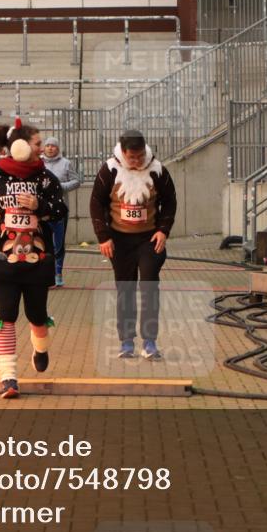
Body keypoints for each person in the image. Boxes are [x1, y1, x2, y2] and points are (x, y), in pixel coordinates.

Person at [0, 119, 67, 399]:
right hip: (1, 257)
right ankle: (8, 376)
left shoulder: (45, 178)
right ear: (19, 146)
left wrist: (40, 206)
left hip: (36, 258)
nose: (42, 148)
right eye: (37, 144)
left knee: (36, 315)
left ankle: (41, 348)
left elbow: (60, 210)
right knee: (6, 314)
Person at [90, 130, 177, 361]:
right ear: (123, 152)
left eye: (139, 157)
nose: (136, 162)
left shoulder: (158, 170)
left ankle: (149, 342)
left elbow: (170, 202)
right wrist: (103, 236)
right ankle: (127, 341)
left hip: (149, 239)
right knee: (125, 289)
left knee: (149, 287)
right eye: (132, 158)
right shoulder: (109, 170)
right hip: (119, 240)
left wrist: (163, 231)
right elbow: (96, 203)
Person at [41, 136, 81, 287]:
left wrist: (60, 187)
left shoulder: (66, 163)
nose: (50, 148)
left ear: (58, 149)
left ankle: (58, 273)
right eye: (48, 145)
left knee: (58, 244)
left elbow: (77, 181)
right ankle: (45, 274)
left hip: (60, 210)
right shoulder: (38, 163)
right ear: (44, 148)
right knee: (43, 243)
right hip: (42, 210)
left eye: (53, 146)